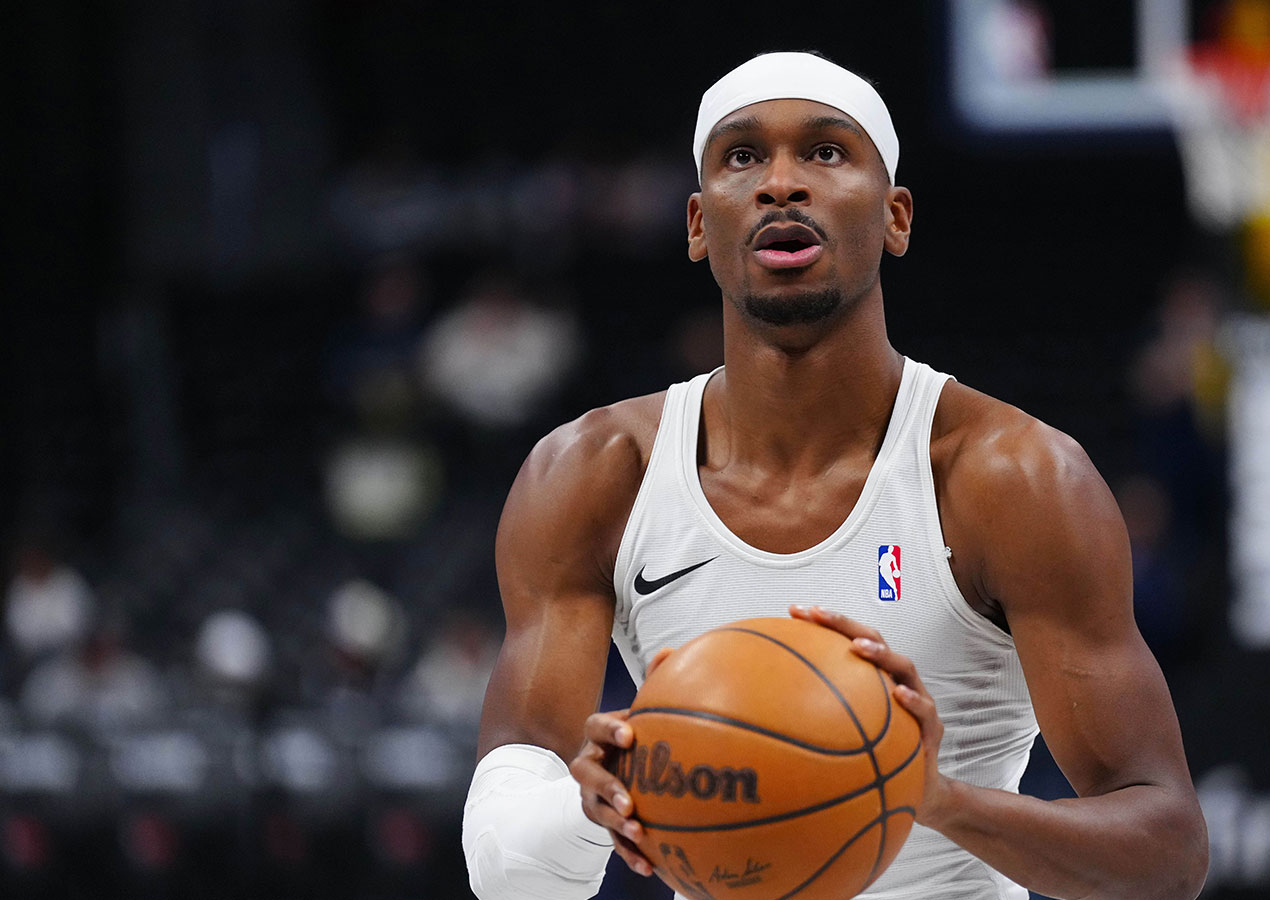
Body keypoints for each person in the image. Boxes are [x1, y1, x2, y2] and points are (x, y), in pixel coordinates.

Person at [463, 52, 1208, 900]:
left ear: (896, 217)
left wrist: (935, 800)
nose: (782, 184)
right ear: (700, 224)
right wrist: (587, 809)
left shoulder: (1013, 478)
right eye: (743, 157)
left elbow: (1166, 855)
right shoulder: (595, 474)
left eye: (825, 153)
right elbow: (505, 868)